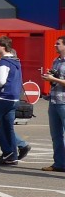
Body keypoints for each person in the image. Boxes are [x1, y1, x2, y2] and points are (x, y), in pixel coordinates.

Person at [0, 36, 30, 165]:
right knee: (7, 127)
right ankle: (13, 156)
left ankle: (7, 151)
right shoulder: (16, 60)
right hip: (14, 98)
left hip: (4, 98)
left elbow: (1, 81)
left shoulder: (3, 62)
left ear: (2, 46)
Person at [40, 36, 65, 172]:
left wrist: (53, 78)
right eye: (55, 43)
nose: (55, 46)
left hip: (64, 102)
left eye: (58, 44)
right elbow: (56, 80)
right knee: (56, 135)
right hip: (54, 100)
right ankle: (59, 164)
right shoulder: (56, 61)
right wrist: (50, 78)